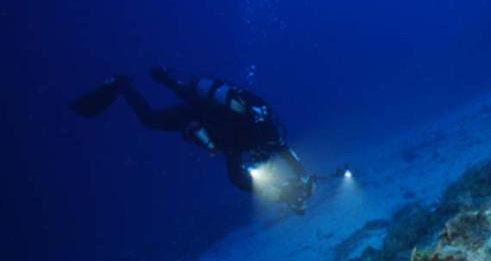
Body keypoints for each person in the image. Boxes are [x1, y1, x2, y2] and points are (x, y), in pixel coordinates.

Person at [71, 67, 315, 214]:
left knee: (157, 115)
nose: (259, 160)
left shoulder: (265, 135)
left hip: (203, 109)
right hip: (197, 114)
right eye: (261, 156)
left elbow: (282, 155)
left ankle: (135, 83)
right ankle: (122, 85)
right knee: (150, 119)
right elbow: (237, 178)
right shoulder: (241, 142)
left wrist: (302, 178)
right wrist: (280, 194)